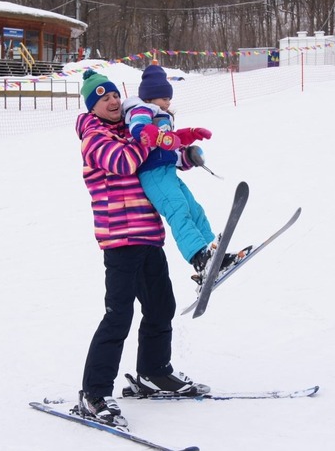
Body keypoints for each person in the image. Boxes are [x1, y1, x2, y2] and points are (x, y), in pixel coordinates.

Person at [74, 69, 210, 427]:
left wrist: (183, 155)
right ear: (92, 106)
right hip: (120, 239)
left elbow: (155, 160)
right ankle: (94, 393)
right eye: (104, 98)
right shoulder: (94, 137)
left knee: (161, 306)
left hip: (148, 234)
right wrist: (148, 137)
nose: (113, 101)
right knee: (118, 316)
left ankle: (154, 372)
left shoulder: (131, 128)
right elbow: (125, 162)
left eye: (115, 95)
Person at [122, 64, 250, 284]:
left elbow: (170, 146)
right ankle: (199, 258)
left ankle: (213, 253)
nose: (168, 103)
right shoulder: (141, 109)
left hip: (168, 173)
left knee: (195, 210)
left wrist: (189, 138)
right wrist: (161, 138)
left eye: (169, 99)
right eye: (164, 98)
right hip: (153, 175)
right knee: (178, 210)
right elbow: (138, 129)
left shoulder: (162, 115)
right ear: (150, 97)